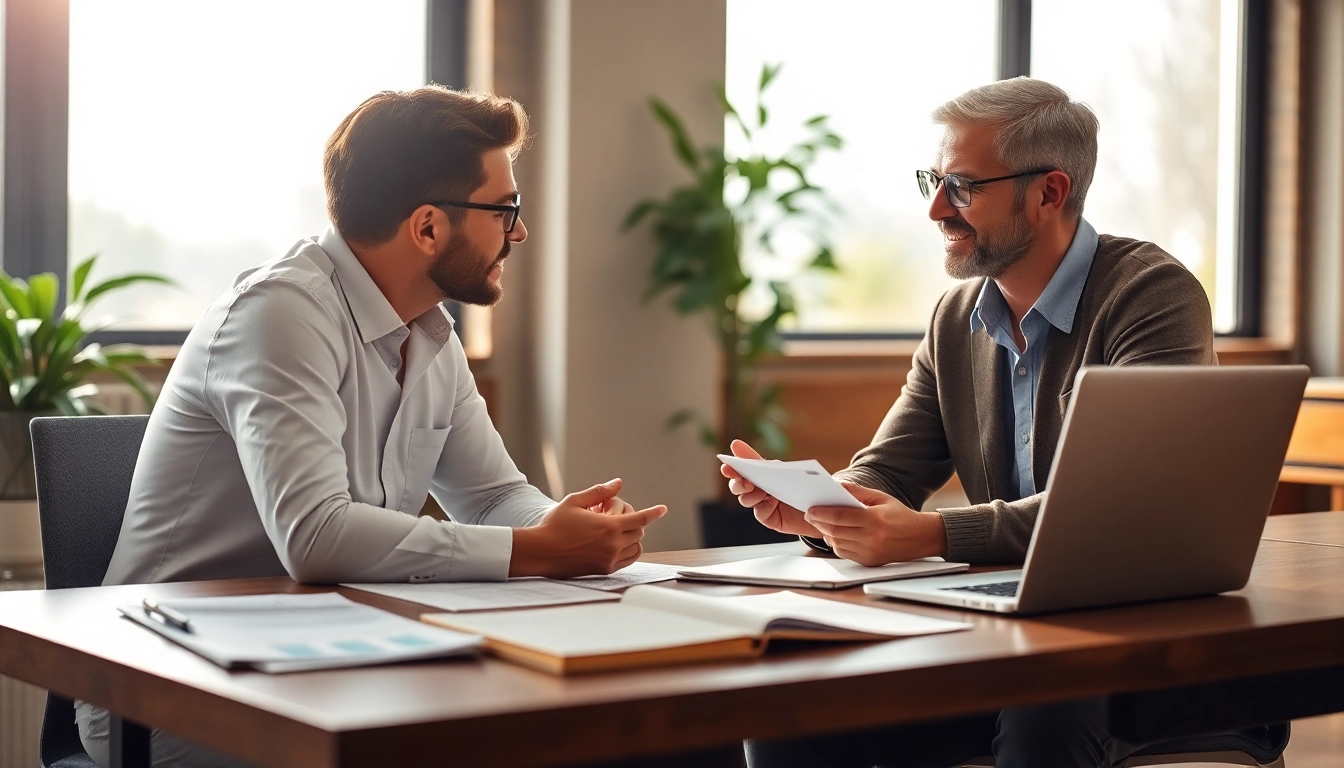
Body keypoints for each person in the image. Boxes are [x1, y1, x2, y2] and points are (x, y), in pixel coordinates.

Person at [78, 86, 666, 768]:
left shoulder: (430, 331)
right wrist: (537, 551)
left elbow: (493, 496)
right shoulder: (281, 314)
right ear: (426, 227)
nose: (521, 232)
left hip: (335, 659)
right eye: (507, 209)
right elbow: (317, 537)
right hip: (173, 686)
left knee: (622, 728)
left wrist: (563, 526)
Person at [728, 78, 1284, 767]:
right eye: (934, 180)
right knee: (789, 692)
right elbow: (891, 468)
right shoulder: (956, 317)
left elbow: (1124, 515)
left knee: (1042, 692)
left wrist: (931, 532)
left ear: (1049, 192)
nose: (936, 208)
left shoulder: (1151, 294)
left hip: (1145, 649)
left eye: (962, 187)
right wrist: (827, 507)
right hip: (1004, 632)